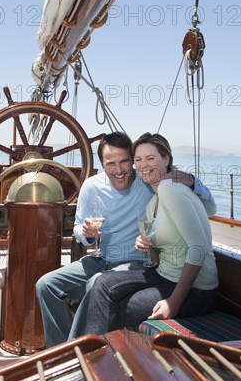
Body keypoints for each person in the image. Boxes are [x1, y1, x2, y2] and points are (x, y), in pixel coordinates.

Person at [36, 132, 216, 347]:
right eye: (110, 164)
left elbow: (207, 209)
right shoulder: (91, 187)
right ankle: (59, 349)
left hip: (137, 263)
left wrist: (193, 181)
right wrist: (85, 234)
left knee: (97, 285)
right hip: (101, 258)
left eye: (125, 162)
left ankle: (75, 351)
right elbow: (78, 228)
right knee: (46, 285)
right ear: (102, 163)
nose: (119, 170)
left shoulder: (148, 182)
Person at [84, 133, 219, 336]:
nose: (143, 165)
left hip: (197, 290)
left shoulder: (170, 188)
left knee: (116, 308)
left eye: (151, 158)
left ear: (166, 159)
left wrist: (173, 302)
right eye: (138, 160)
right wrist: (148, 246)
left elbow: (198, 248)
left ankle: (97, 359)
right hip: (163, 274)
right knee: (102, 283)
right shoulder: (152, 204)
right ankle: (95, 355)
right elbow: (157, 257)